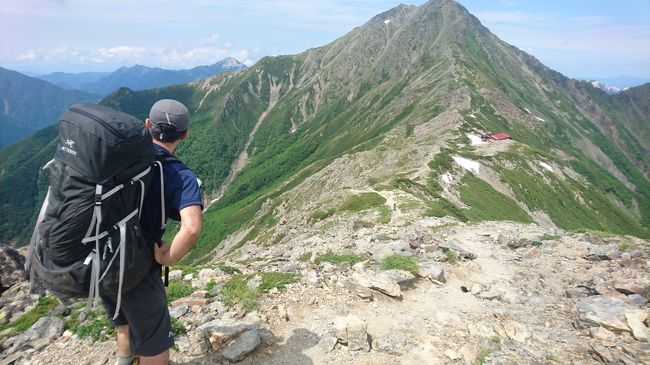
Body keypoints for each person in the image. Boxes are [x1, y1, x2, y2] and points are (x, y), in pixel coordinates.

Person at [102, 99, 203, 365]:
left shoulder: (118, 158)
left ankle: (124, 361)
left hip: (102, 256)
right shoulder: (179, 175)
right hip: (137, 266)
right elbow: (191, 228)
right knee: (154, 344)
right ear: (185, 135)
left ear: (147, 126)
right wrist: (168, 258)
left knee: (124, 323)